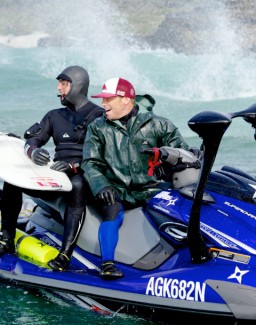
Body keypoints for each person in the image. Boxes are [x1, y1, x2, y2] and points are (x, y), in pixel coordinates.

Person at [82, 77, 197, 280]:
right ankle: (107, 264)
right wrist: (101, 186)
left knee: (181, 210)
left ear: (126, 99)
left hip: (152, 188)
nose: (103, 104)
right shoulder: (97, 127)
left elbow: (183, 153)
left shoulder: (159, 124)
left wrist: (190, 157)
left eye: (108, 99)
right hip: (115, 188)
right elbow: (90, 162)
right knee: (112, 212)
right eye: (103, 100)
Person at [0, 65, 103, 271]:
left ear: (77, 85)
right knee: (12, 182)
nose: (58, 88)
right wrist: (34, 152)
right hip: (57, 175)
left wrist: (74, 165)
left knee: (78, 184)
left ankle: (65, 254)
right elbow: (33, 140)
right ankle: (7, 238)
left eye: (63, 84)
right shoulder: (54, 115)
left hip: (83, 173)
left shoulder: (98, 115)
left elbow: (103, 154)